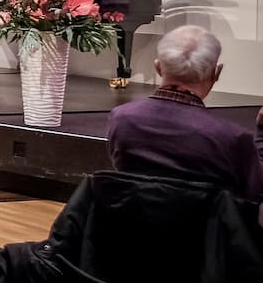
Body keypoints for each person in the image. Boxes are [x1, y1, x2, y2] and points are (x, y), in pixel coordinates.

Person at [107, 25, 263, 200]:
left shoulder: (122, 119)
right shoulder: (232, 138)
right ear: (216, 73)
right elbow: (255, 193)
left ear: (158, 67)